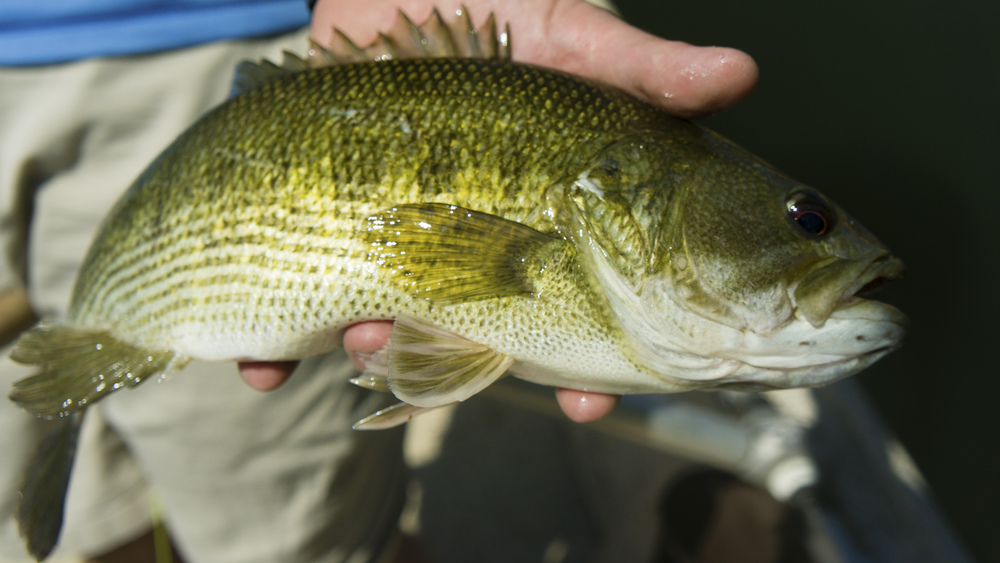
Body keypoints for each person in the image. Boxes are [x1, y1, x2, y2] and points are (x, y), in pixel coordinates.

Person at [0, 0, 758, 561]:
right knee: (50, 515)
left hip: (209, 25)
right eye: (806, 221)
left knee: (284, 533)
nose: (807, 230)